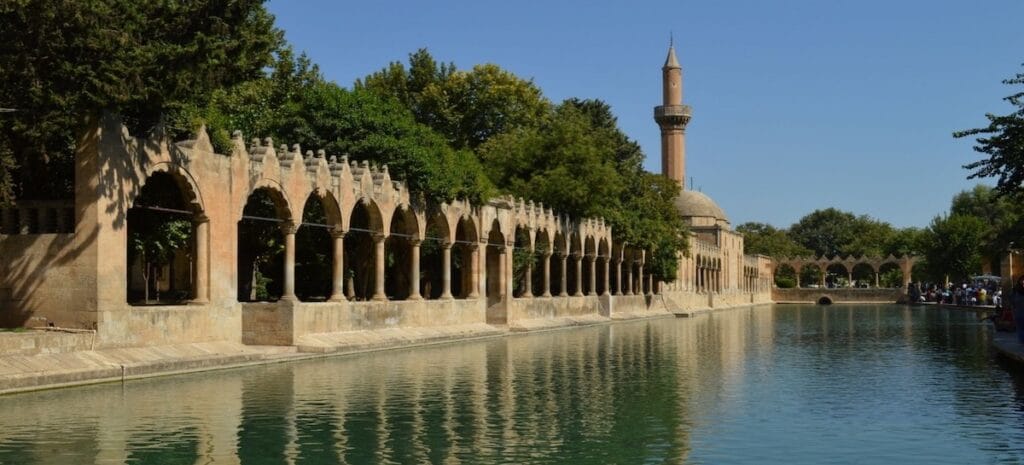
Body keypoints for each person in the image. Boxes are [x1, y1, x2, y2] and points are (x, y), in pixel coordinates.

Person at [1012, 276, 1024, 343]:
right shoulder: (1015, 290)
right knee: (1020, 330)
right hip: (1019, 314)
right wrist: (1013, 313)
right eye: (1022, 280)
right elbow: (1012, 303)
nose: (1023, 282)